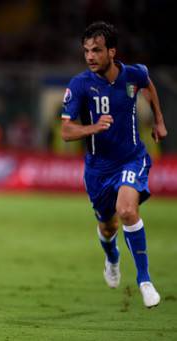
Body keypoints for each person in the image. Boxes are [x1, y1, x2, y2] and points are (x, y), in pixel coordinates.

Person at [61, 22, 167, 308]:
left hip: (132, 158)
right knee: (108, 227)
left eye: (96, 50)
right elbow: (66, 131)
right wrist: (92, 128)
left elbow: (148, 84)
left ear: (111, 51)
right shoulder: (80, 85)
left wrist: (158, 119)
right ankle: (112, 257)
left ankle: (145, 280)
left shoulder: (133, 74)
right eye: (86, 51)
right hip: (98, 170)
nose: (90, 56)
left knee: (127, 210)